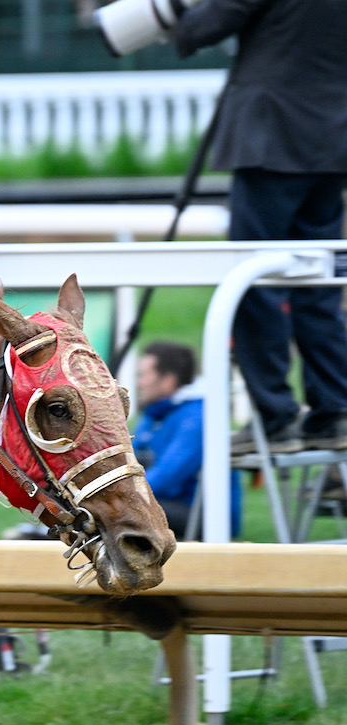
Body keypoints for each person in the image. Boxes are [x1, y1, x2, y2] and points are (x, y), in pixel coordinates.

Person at [172, 0, 347, 455]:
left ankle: (274, 417)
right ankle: (333, 411)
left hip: (272, 135)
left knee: (255, 282)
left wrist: (176, 14)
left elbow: (202, 28)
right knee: (320, 284)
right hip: (332, 141)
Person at [134, 341, 242, 539]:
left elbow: (167, 477)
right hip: (168, 501)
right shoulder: (156, 411)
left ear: (168, 381)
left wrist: (120, 495)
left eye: (145, 375)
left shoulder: (199, 416)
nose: (140, 383)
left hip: (203, 515)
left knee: (115, 513)